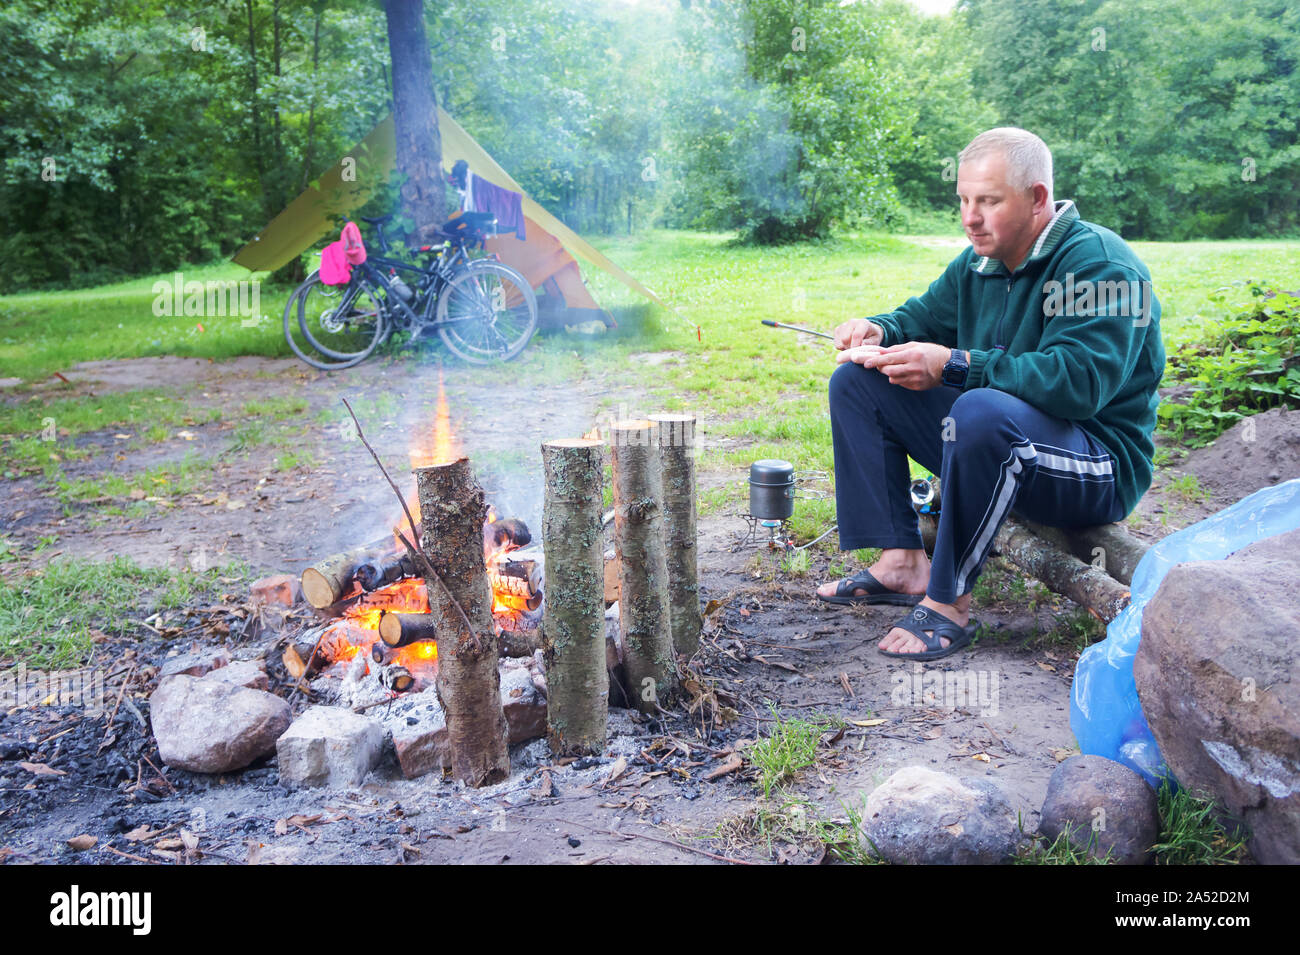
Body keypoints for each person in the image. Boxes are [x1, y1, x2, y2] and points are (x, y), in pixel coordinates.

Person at [815, 127, 1165, 660]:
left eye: (989, 201)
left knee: (978, 409)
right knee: (858, 382)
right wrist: (877, 330)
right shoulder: (980, 260)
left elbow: (1078, 385)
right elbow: (922, 317)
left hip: (1096, 463)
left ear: (1037, 198)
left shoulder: (1101, 266)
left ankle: (948, 602)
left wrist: (955, 365)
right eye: (963, 200)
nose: (970, 217)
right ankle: (903, 562)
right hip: (1002, 438)